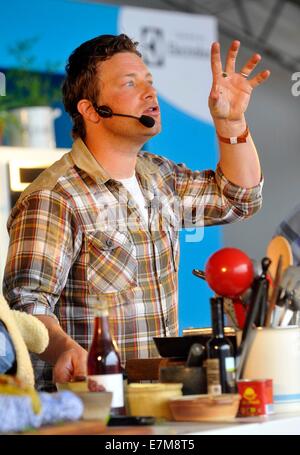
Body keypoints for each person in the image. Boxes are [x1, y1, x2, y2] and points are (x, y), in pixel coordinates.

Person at [2, 34, 270, 391]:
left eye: (150, 82)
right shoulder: (55, 196)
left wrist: (232, 123)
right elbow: (26, 305)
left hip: (161, 396)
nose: (150, 94)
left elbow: (240, 199)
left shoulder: (160, 177)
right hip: (93, 407)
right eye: (130, 83)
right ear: (91, 110)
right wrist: (65, 348)